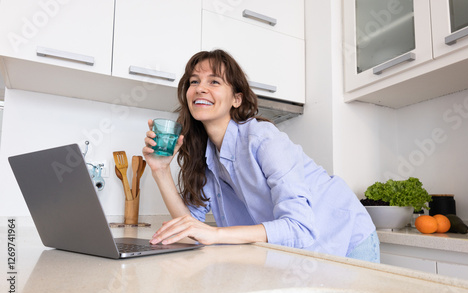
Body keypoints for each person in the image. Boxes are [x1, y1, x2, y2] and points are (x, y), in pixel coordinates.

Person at [143, 49, 380, 262]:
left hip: (345, 236)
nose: (199, 88)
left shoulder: (263, 138)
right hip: (296, 251)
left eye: (214, 81)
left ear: (237, 99)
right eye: (194, 81)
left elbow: (300, 228)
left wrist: (215, 234)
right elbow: (189, 228)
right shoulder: (206, 154)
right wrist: (160, 170)